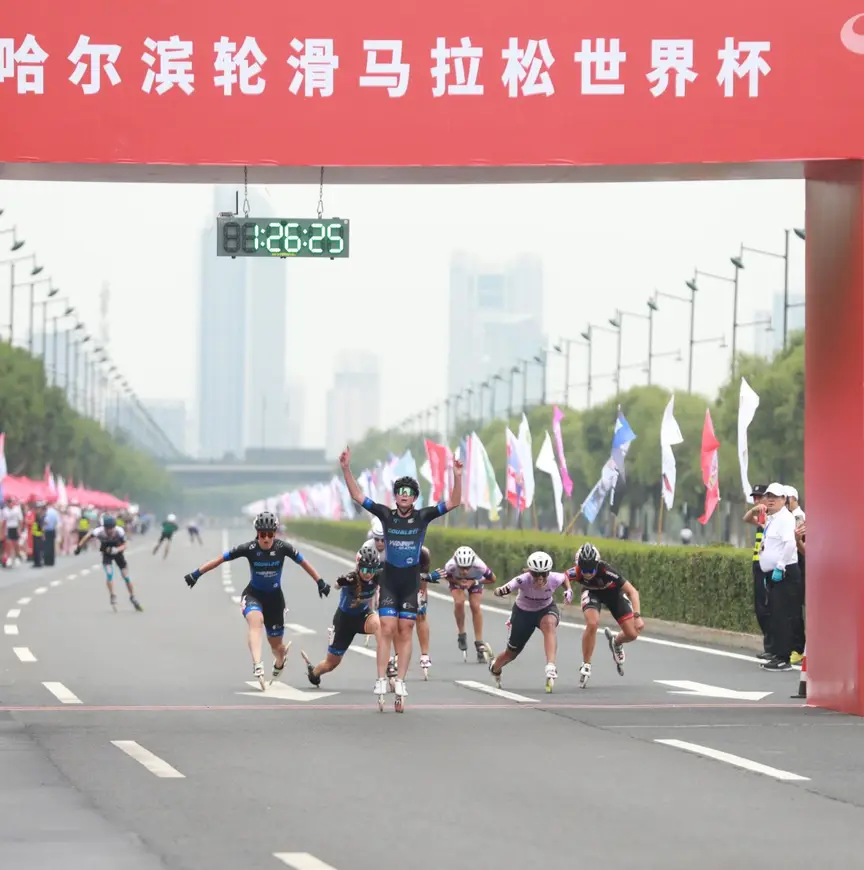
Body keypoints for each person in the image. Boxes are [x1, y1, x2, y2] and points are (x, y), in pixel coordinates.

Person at [340, 446, 462, 712]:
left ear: (415, 498)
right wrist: (346, 469)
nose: (404, 497)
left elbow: (454, 503)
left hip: (410, 584)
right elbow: (358, 495)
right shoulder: (386, 515)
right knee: (386, 628)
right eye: (400, 493)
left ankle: (402, 681)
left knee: (406, 630)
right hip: (390, 582)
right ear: (395, 497)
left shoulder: (423, 516)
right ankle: (381, 678)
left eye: (409, 493)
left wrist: (457, 475)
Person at [183, 511, 330, 690]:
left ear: (275, 533)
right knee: (255, 621)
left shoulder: (283, 548)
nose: (266, 539)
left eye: (270, 534)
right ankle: (257, 664)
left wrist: (319, 581)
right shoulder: (249, 548)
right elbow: (220, 559)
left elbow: (303, 563)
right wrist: (196, 574)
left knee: (276, 647)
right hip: (254, 594)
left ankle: (280, 660)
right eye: (262, 534)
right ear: (257, 533)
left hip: (275, 600)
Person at [488, 551, 572, 693]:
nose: (539, 578)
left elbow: (564, 578)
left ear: (548, 572)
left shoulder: (554, 578)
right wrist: (500, 591)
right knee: (511, 653)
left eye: (543, 574)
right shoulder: (522, 580)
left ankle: (551, 666)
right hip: (523, 613)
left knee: (549, 625)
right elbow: (500, 590)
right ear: (530, 572)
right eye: (535, 574)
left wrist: (569, 590)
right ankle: (495, 667)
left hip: (545, 608)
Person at [301, 548, 382, 693]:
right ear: (358, 566)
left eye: (372, 569)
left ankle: (387, 666)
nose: (368, 573)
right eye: (364, 568)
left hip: (363, 616)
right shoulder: (352, 577)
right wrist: (341, 582)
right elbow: (337, 585)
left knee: (380, 625)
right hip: (343, 621)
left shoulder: (377, 576)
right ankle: (314, 673)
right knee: (331, 664)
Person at [566, 542, 643, 688]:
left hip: (613, 595)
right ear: (578, 566)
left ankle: (616, 642)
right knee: (592, 623)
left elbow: (633, 592)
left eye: (591, 568)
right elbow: (558, 579)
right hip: (592, 593)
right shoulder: (574, 571)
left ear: (597, 563)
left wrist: (637, 616)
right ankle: (586, 663)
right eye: (584, 569)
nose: (588, 573)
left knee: (632, 634)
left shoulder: (607, 571)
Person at [428, 545, 495, 663]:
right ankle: (461, 633)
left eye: (467, 568)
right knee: (459, 602)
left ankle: (479, 642)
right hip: (456, 580)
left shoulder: (479, 565)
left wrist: (474, 582)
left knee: (475, 605)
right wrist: (458, 581)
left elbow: (492, 579)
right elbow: (446, 577)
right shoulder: (450, 565)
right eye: (462, 567)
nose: (464, 571)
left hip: (475, 580)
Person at [77, 514, 143, 612]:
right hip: (106, 553)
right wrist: (79, 547)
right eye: (108, 529)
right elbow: (87, 537)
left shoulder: (119, 531)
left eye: (111, 529)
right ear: (104, 528)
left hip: (118, 553)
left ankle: (132, 596)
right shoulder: (99, 531)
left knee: (126, 577)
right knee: (109, 575)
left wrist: (117, 549)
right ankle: (112, 595)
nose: (110, 531)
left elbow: (126, 544)